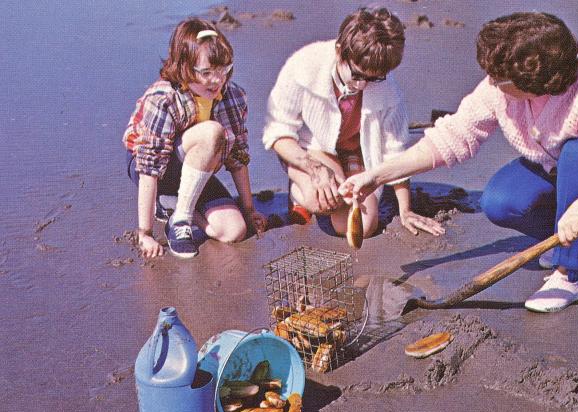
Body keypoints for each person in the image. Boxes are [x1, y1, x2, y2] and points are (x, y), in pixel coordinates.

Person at [339, 12, 578, 312]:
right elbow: (451, 137)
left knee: (577, 155)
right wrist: (377, 176)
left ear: (534, 83)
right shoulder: (501, 84)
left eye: (499, 80)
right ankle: (565, 233)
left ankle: (568, 274)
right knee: (499, 202)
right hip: (553, 165)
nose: (491, 84)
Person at [262, 7, 444, 238]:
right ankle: (299, 188)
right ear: (340, 53)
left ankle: (324, 183)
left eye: (373, 78)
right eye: (357, 75)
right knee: (324, 201)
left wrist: (405, 209)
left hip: (358, 152)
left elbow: (394, 151)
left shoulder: (389, 91)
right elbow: (277, 133)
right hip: (314, 149)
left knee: (362, 228)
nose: (362, 86)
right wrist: (314, 169)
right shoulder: (303, 66)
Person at [124, 18, 267, 259]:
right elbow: (148, 167)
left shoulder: (233, 97)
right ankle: (181, 219)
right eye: (206, 72)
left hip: (195, 172)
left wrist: (249, 208)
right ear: (184, 68)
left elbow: (238, 156)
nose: (217, 79)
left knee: (233, 230)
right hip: (154, 168)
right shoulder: (163, 99)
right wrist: (145, 232)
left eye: (223, 69)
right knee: (212, 132)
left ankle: (173, 206)